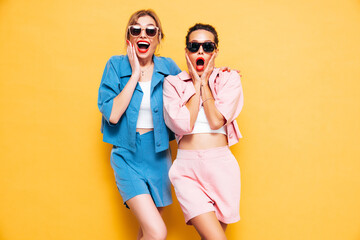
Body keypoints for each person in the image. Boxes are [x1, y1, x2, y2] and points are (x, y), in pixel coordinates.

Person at [97, 9, 181, 240]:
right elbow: (113, 115)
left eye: (150, 30)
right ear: (129, 37)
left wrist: (219, 76)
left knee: (147, 232)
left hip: (159, 157)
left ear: (158, 38)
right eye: (137, 29)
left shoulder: (169, 68)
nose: (143, 34)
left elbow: (192, 91)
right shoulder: (115, 65)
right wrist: (135, 74)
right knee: (157, 232)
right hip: (127, 155)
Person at [163, 23, 244, 240]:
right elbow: (183, 125)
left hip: (222, 169)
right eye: (194, 46)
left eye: (207, 47)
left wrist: (205, 83)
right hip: (187, 170)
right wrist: (196, 83)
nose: (201, 51)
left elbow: (217, 120)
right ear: (187, 51)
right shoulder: (173, 84)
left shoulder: (229, 79)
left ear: (215, 51)